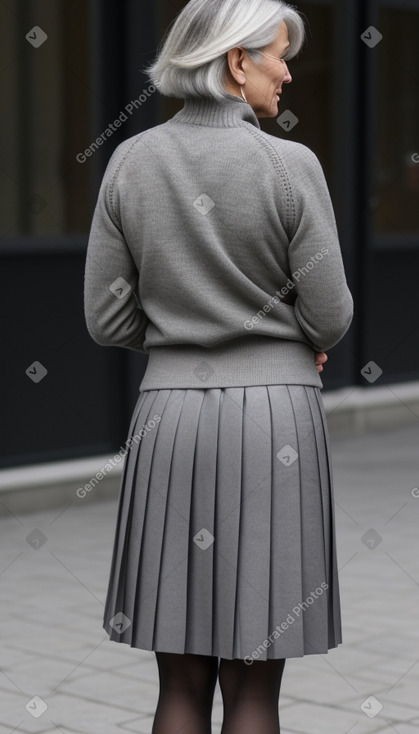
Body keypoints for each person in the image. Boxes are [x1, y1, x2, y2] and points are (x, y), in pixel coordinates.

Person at [83, 0, 354, 731]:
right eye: (277, 55)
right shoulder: (289, 164)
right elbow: (330, 316)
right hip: (276, 427)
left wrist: (184, 336)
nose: (288, 71)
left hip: (169, 421)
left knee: (177, 688)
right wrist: (285, 338)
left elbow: (106, 319)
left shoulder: (130, 160)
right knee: (253, 693)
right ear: (237, 63)